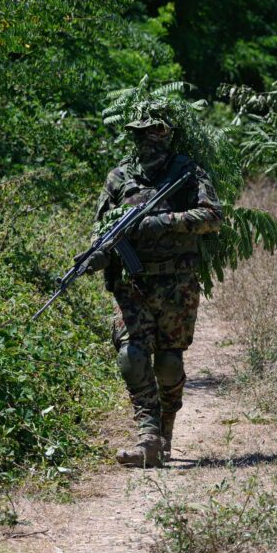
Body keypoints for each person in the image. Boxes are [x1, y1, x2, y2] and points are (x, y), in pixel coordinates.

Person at [85, 106, 222, 467]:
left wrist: (163, 222)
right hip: (132, 284)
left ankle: (165, 432)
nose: (149, 140)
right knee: (131, 356)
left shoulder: (188, 173)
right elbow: (101, 225)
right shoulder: (119, 177)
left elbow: (212, 216)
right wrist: (98, 253)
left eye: (155, 132)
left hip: (177, 282)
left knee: (169, 363)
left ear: (168, 134)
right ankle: (147, 436)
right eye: (141, 133)